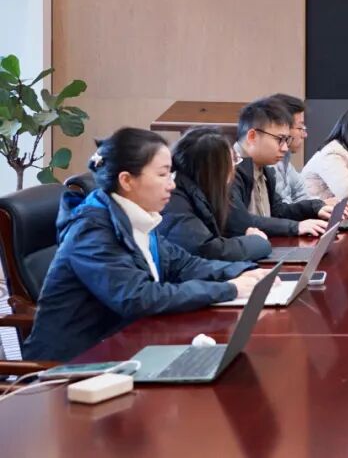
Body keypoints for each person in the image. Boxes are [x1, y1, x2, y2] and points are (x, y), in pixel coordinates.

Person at [23, 128, 269, 361]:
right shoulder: (91, 231)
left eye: (170, 174)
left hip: (128, 347)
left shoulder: (135, 218)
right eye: (162, 175)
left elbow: (184, 264)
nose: (171, 185)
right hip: (76, 366)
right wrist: (229, 289)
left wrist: (246, 272)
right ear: (127, 180)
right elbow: (138, 297)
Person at [160, 127, 277, 261]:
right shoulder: (175, 201)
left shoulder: (201, 191)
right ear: (212, 169)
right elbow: (209, 250)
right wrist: (257, 241)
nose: (234, 168)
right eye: (232, 161)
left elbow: (240, 226)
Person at [232, 99, 333, 234]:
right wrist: (295, 227)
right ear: (252, 136)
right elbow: (240, 222)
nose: (285, 148)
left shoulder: (264, 168)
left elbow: (278, 211)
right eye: (279, 139)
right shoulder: (228, 170)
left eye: (286, 140)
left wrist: (314, 207)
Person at [266, 93, 311, 203]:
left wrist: (320, 204)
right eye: (300, 127)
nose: (305, 135)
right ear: (283, 127)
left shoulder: (285, 161)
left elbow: (301, 195)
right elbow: (281, 208)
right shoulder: (270, 163)